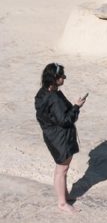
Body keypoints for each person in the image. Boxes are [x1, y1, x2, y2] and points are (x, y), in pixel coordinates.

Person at [35, 62, 86, 211]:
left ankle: (64, 195)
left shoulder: (44, 92)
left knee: (63, 168)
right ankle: (62, 203)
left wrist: (74, 107)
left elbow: (53, 115)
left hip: (51, 135)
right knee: (61, 169)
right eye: (62, 76)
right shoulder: (54, 98)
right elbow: (65, 120)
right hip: (59, 138)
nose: (64, 78)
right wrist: (77, 107)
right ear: (55, 78)